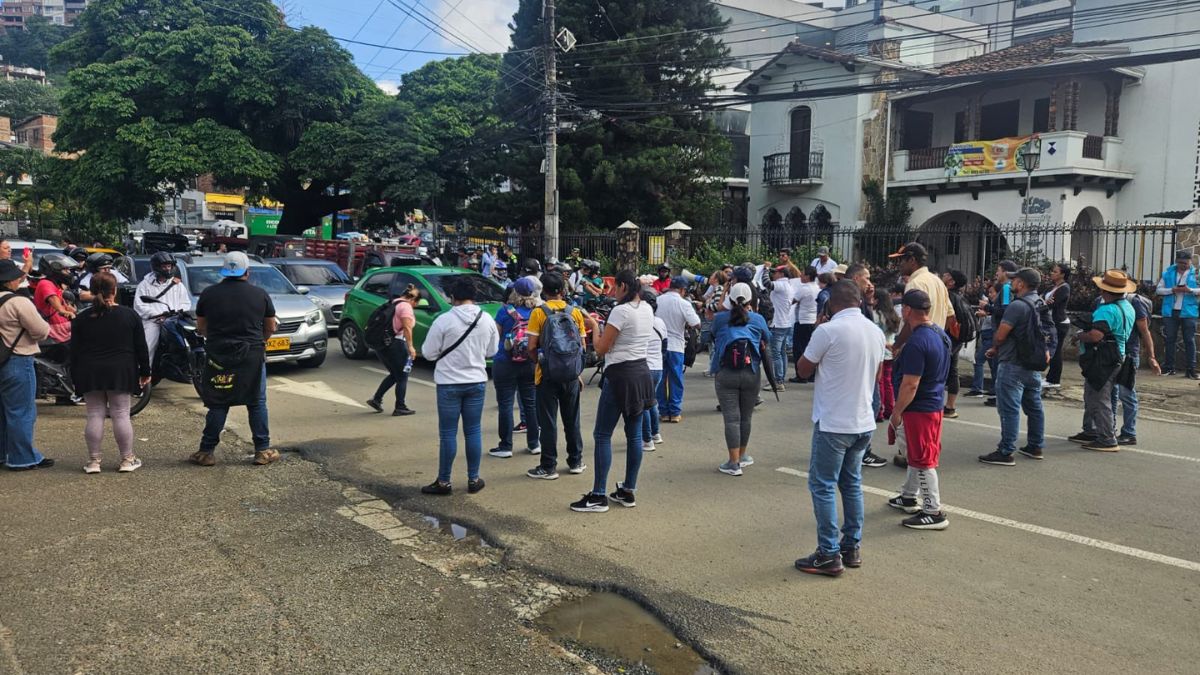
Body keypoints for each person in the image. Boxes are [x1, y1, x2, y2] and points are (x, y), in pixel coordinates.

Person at [794, 281, 886, 576]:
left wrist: (820, 328)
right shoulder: (876, 332)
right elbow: (877, 373)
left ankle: (828, 553)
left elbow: (802, 369)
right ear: (859, 302)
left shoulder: (827, 331)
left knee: (822, 485)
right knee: (851, 484)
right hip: (862, 421)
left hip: (834, 422)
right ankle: (851, 547)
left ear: (831, 304)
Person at [571, 270, 656, 513]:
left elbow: (601, 349)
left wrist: (595, 326)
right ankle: (628, 489)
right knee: (634, 435)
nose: (611, 291)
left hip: (619, 374)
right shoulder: (647, 309)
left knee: (602, 434)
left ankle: (598, 495)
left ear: (621, 286)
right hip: (641, 372)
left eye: (614, 286)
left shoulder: (621, 311)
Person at [192, 252, 279, 467]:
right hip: (252, 356)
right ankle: (262, 450)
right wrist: (260, 342)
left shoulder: (208, 294)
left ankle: (206, 452)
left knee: (218, 403)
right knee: (256, 401)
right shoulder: (260, 294)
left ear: (223, 271)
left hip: (218, 356)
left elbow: (201, 327)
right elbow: (269, 327)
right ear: (247, 272)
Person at [420, 277, 500, 495]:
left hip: (449, 383)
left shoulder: (443, 320)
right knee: (473, 431)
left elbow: (428, 353)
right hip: (476, 381)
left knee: (448, 433)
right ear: (474, 296)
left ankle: (444, 482)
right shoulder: (486, 319)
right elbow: (492, 351)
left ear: (452, 297)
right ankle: (473, 479)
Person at [70, 272, 151, 474]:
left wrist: (75, 376)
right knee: (121, 414)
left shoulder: (81, 318)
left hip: (89, 370)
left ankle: (94, 462)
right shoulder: (129, 315)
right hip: (121, 369)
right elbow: (141, 346)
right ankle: (127, 459)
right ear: (114, 291)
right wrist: (145, 371)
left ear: (92, 291)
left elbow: (74, 351)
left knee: (94, 414)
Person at [887, 290, 951, 530]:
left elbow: (910, 383)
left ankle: (933, 510)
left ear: (907, 311)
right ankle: (908, 495)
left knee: (923, 459)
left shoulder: (917, 342)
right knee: (917, 453)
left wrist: (897, 412)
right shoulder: (939, 334)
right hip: (933, 403)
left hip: (919, 407)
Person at [978, 268, 1047, 466]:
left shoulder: (1017, 306)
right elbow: (1049, 329)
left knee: (1009, 409)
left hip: (1013, 362)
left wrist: (994, 348)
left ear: (1021, 284)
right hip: (1032, 363)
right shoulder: (1040, 302)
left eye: (1014, 280)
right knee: (1034, 407)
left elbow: (1001, 334)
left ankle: (1006, 450)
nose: (1011, 283)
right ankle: (1036, 445)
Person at [525, 272, 589, 480]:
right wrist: (575, 370)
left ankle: (548, 466)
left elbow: (531, 347)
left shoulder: (538, 313)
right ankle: (576, 461)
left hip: (547, 376)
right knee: (572, 419)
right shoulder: (575, 312)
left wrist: (541, 363)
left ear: (543, 291)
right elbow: (582, 346)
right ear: (563, 291)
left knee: (548, 420)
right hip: (571, 375)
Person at [1069, 270, 1136, 453]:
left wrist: (1079, 335)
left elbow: (1095, 336)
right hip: (1118, 355)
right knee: (1100, 395)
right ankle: (1098, 431)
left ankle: (1106, 437)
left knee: (1099, 398)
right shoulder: (1128, 307)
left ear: (1105, 291)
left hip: (1103, 359)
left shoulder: (1106, 310)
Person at [709, 283, 770, 477]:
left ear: (731, 299)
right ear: (750, 300)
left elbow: (710, 335)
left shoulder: (720, 319)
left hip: (725, 372)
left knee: (732, 419)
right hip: (751, 372)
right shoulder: (758, 319)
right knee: (746, 417)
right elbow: (767, 338)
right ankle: (742, 457)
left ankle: (733, 463)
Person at [0, 259, 52, 471]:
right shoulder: (18, 302)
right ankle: (22, 457)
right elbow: (41, 331)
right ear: (9, 281)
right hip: (17, 360)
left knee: (2, 412)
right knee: (21, 411)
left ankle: (3, 453)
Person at [489, 277, 540, 458]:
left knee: (505, 405)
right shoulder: (537, 311)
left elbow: (496, 337)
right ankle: (534, 443)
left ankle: (506, 446)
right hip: (530, 362)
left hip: (505, 362)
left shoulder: (505, 311)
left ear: (514, 292)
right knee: (531, 404)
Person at [1111, 283, 1160, 445]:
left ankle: (1129, 432)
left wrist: (1151, 356)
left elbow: (1144, 331)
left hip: (1130, 353)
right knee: (1111, 392)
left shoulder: (1134, 303)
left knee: (1126, 393)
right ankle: (1108, 428)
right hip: (1110, 353)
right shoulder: (1102, 300)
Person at [366, 284, 419, 416]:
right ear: (412, 299)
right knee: (403, 376)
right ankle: (400, 406)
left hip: (382, 344)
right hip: (396, 344)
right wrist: (411, 347)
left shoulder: (392, 303)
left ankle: (376, 399)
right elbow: (407, 328)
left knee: (395, 374)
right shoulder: (406, 306)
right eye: (416, 302)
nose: (416, 306)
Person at [655, 275, 701, 423]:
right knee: (676, 379)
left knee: (660, 379)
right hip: (676, 346)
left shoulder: (657, 300)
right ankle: (674, 412)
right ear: (682, 290)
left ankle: (663, 411)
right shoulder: (684, 303)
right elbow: (696, 323)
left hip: (658, 345)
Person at [888, 243, 951, 347]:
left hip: (917, 345)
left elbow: (910, 320)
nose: (899, 264)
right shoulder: (938, 281)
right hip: (937, 345)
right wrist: (936, 336)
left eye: (901, 260)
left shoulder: (915, 283)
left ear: (912, 260)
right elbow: (950, 316)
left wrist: (896, 346)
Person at [133, 252, 192, 363]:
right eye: (164, 266)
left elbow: (186, 303)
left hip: (174, 320)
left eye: (169, 266)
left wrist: (174, 314)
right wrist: (158, 314)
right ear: (157, 267)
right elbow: (139, 306)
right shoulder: (145, 285)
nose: (167, 269)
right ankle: (145, 372)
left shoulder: (178, 284)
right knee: (148, 345)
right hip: (153, 321)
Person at [1155, 250, 1200, 378]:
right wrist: (1172, 290)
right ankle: (1169, 367)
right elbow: (1159, 290)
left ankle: (1191, 369)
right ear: (1176, 262)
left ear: (1190, 262)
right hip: (1171, 311)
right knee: (1170, 339)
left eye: (1185, 263)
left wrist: (1189, 290)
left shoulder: (1196, 274)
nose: (1183, 265)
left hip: (1189, 311)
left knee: (1189, 340)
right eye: (1180, 263)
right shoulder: (1168, 273)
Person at [981, 261, 1017, 406]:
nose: (997, 273)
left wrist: (988, 307)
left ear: (1006, 272)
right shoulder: (1006, 288)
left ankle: (1000, 396)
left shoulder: (1007, 288)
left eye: (999, 270)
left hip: (1002, 333)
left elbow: (1006, 311)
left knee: (1000, 365)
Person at [941, 270, 974, 419]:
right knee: (953, 372)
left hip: (946, 338)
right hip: (957, 340)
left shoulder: (947, 296)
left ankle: (935, 405)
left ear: (951, 282)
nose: (943, 275)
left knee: (938, 371)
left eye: (947, 275)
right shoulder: (961, 297)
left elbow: (947, 318)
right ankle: (950, 407)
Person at [641, 289, 668, 452]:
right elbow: (664, 346)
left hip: (643, 368)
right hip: (657, 367)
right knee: (652, 402)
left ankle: (647, 439)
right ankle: (656, 434)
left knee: (642, 405)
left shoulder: (640, 321)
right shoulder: (660, 322)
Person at [33, 253, 79, 343]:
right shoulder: (45, 283)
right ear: (54, 270)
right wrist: (64, 311)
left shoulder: (56, 285)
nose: (69, 272)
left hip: (64, 331)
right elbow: (54, 300)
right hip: (55, 334)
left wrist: (69, 308)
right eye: (65, 270)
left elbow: (61, 303)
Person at [762, 265, 794, 392]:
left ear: (781, 274)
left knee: (776, 354)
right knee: (782, 353)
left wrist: (765, 269)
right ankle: (781, 378)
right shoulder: (789, 286)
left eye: (775, 272)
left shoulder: (781, 285)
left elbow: (766, 283)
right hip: (785, 322)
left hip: (778, 323)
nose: (773, 274)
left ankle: (778, 381)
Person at [873, 287, 900, 421]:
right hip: (890, 352)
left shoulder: (877, 315)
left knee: (879, 382)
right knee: (888, 382)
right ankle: (889, 408)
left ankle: (879, 410)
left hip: (880, 351)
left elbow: (875, 335)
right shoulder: (893, 314)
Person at [1043, 263, 1072, 389]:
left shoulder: (1064, 288)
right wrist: (1044, 302)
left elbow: (1052, 304)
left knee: (1056, 350)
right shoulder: (1052, 287)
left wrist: (1045, 303)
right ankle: (1051, 376)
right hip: (1050, 321)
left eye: (1055, 272)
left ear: (1062, 274)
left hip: (1059, 323)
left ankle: (1054, 379)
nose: (1052, 273)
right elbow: (1042, 299)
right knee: (1052, 349)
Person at [789, 266, 820, 383]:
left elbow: (793, 301)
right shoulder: (817, 287)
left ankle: (801, 375)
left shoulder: (804, 288)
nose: (800, 276)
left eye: (802, 274)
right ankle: (811, 374)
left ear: (807, 276)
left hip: (803, 321)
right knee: (810, 347)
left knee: (799, 348)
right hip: (813, 321)